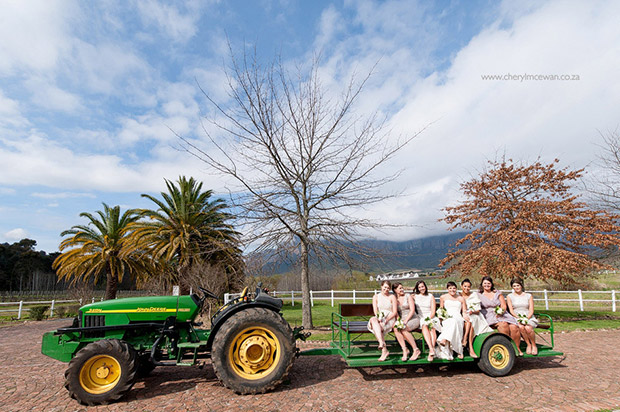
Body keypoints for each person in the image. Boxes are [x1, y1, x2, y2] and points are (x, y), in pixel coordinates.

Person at [479, 276, 523, 356]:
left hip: (502, 314)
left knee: (514, 327)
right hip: (488, 315)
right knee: (503, 325)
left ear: (491, 284)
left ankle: (516, 347)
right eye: (485, 283)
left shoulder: (497, 293)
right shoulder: (479, 295)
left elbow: (503, 305)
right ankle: (507, 347)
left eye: (488, 283)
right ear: (482, 284)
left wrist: (501, 312)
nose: (487, 285)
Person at [460, 278, 492, 358]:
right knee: (468, 320)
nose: (466, 288)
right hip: (463, 315)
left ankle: (469, 345)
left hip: (475, 315)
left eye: (468, 287)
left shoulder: (474, 295)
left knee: (471, 320)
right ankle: (465, 342)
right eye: (465, 286)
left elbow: (478, 311)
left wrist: (472, 312)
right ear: (461, 286)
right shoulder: (458, 295)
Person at [435, 281, 468, 360]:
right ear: (447, 289)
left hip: (458, 316)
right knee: (452, 321)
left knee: (455, 321)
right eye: (450, 288)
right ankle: (460, 351)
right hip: (447, 317)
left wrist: (465, 316)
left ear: (456, 289)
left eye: (454, 288)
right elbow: (441, 309)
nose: (452, 290)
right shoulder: (443, 297)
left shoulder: (460, 298)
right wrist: (441, 317)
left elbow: (464, 311)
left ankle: (444, 339)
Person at [367, 280, 398, 361]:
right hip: (380, 317)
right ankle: (381, 343)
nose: (386, 289)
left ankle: (384, 350)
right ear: (381, 287)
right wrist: (379, 317)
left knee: (378, 327)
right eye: (385, 287)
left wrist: (387, 319)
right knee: (373, 319)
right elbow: (375, 310)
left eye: (388, 288)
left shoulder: (392, 297)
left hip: (389, 317)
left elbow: (395, 312)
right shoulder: (376, 297)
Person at [507, 277, 538, 355]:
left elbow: (531, 309)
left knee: (528, 327)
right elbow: (511, 310)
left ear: (521, 286)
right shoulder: (510, 296)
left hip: (528, 316)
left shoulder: (528, 296)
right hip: (516, 316)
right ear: (512, 287)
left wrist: (527, 318)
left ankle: (534, 345)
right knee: (520, 327)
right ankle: (528, 344)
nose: (516, 287)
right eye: (514, 286)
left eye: (518, 285)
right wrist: (519, 318)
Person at [392, 282, 422, 361]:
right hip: (402, 319)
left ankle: (416, 349)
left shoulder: (408, 296)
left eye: (402, 288)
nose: (402, 289)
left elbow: (412, 310)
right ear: (395, 290)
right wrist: (399, 321)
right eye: (400, 288)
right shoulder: (394, 298)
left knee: (403, 329)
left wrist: (405, 321)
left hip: (413, 318)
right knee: (395, 328)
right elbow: (395, 312)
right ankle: (405, 350)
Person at [414, 280, 440, 361]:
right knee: (425, 326)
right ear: (417, 288)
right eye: (419, 287)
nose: (421, 288)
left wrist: (429, 318)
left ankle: (431, 351)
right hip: (421, 317)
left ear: (425, 286)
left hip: (431, 316)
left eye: (423, 286)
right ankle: (431, 349)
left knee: (432, 327)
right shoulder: (415, 296)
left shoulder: (430, 296)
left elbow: (433, 311)